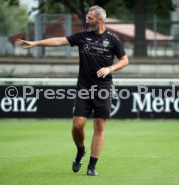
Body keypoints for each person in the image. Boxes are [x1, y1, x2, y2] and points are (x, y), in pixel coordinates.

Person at [16, 5, 129, 176]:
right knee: (78, 125)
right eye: (87, 17)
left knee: (99, 125)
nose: (86, 20)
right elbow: (59, 41)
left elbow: (125, 60)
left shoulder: (113, 39)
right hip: (84, 87)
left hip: (103, 88)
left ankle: (92, 167)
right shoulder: (82, 36)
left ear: (100, 20)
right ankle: (80, 151)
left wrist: (110, 69)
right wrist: (36, 43)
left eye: (90, 18)